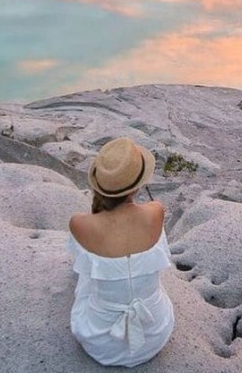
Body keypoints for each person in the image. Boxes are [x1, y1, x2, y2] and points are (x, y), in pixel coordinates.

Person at [67, 137, 175, 367]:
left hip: (100, 341)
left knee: (87, 281)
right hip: (155, 330)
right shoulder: (156, 211)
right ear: (136, 186)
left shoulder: (79, 223)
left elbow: (80, 266)